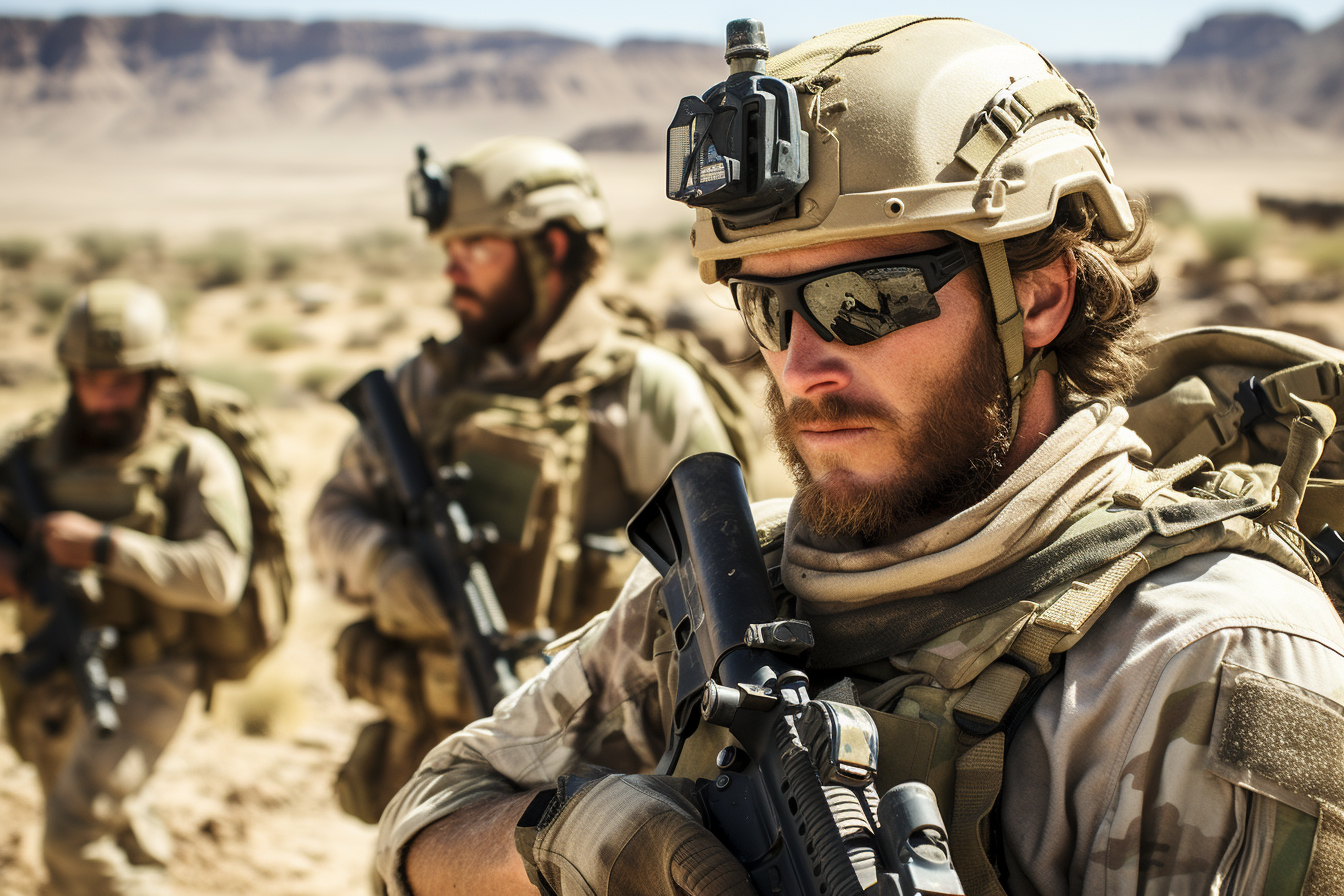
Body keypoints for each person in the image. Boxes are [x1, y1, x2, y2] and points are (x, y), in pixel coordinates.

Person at [372, 15, 1344, 896]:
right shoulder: (729, 590)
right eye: (766, 307)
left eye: (865, 302)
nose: (801, 368)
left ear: (1041, 297)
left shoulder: (1207, 665)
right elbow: (417, 829)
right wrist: (567, 835)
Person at [308, 135, 752, 825]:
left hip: (594, 764)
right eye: (448, 250)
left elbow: (718, 580)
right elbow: (332, 516)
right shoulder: (421, 388)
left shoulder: (641, 390)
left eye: (477, 247)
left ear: (553, 248)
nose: (452, 269)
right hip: (431, 746)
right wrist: (384, 564)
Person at [0, 280, 254, 896]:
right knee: (110, 826)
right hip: (49, 670)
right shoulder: (28, 455)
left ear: (153, 378)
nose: (105, 397)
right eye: (92, 379)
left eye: (122, 381)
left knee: (72, 836)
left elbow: (220, 577)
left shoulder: (193, 458)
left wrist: (106, 548)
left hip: (149, 675)